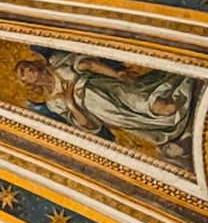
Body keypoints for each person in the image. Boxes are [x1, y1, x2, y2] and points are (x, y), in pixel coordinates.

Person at [14, 48, 194, 157]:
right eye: (23, 73)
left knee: (163, 108)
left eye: (25, 66)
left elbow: (89, 65)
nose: (27, 70)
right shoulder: (54, 103)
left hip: (108, 89)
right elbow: (88, 125)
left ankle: (191, 78)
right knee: (163, 118)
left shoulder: (57, 65)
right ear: (27, 83)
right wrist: (70, 103)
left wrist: (116, 74)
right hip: (106, 112)